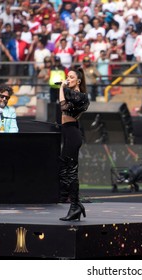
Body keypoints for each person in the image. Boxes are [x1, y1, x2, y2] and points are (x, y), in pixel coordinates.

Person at [58, 67, 90, 221]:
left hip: (72, 133)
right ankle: (76, 204)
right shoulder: (69, 92)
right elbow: (64, 104)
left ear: (78, 80)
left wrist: (62, 87)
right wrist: (62, 88)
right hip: (67, 132)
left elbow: (63, 106)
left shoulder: (81, 97)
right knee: (65, 170)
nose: (68, 79)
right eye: (67, 76)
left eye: (71, 77)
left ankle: (75, 206)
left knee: (71, 171)